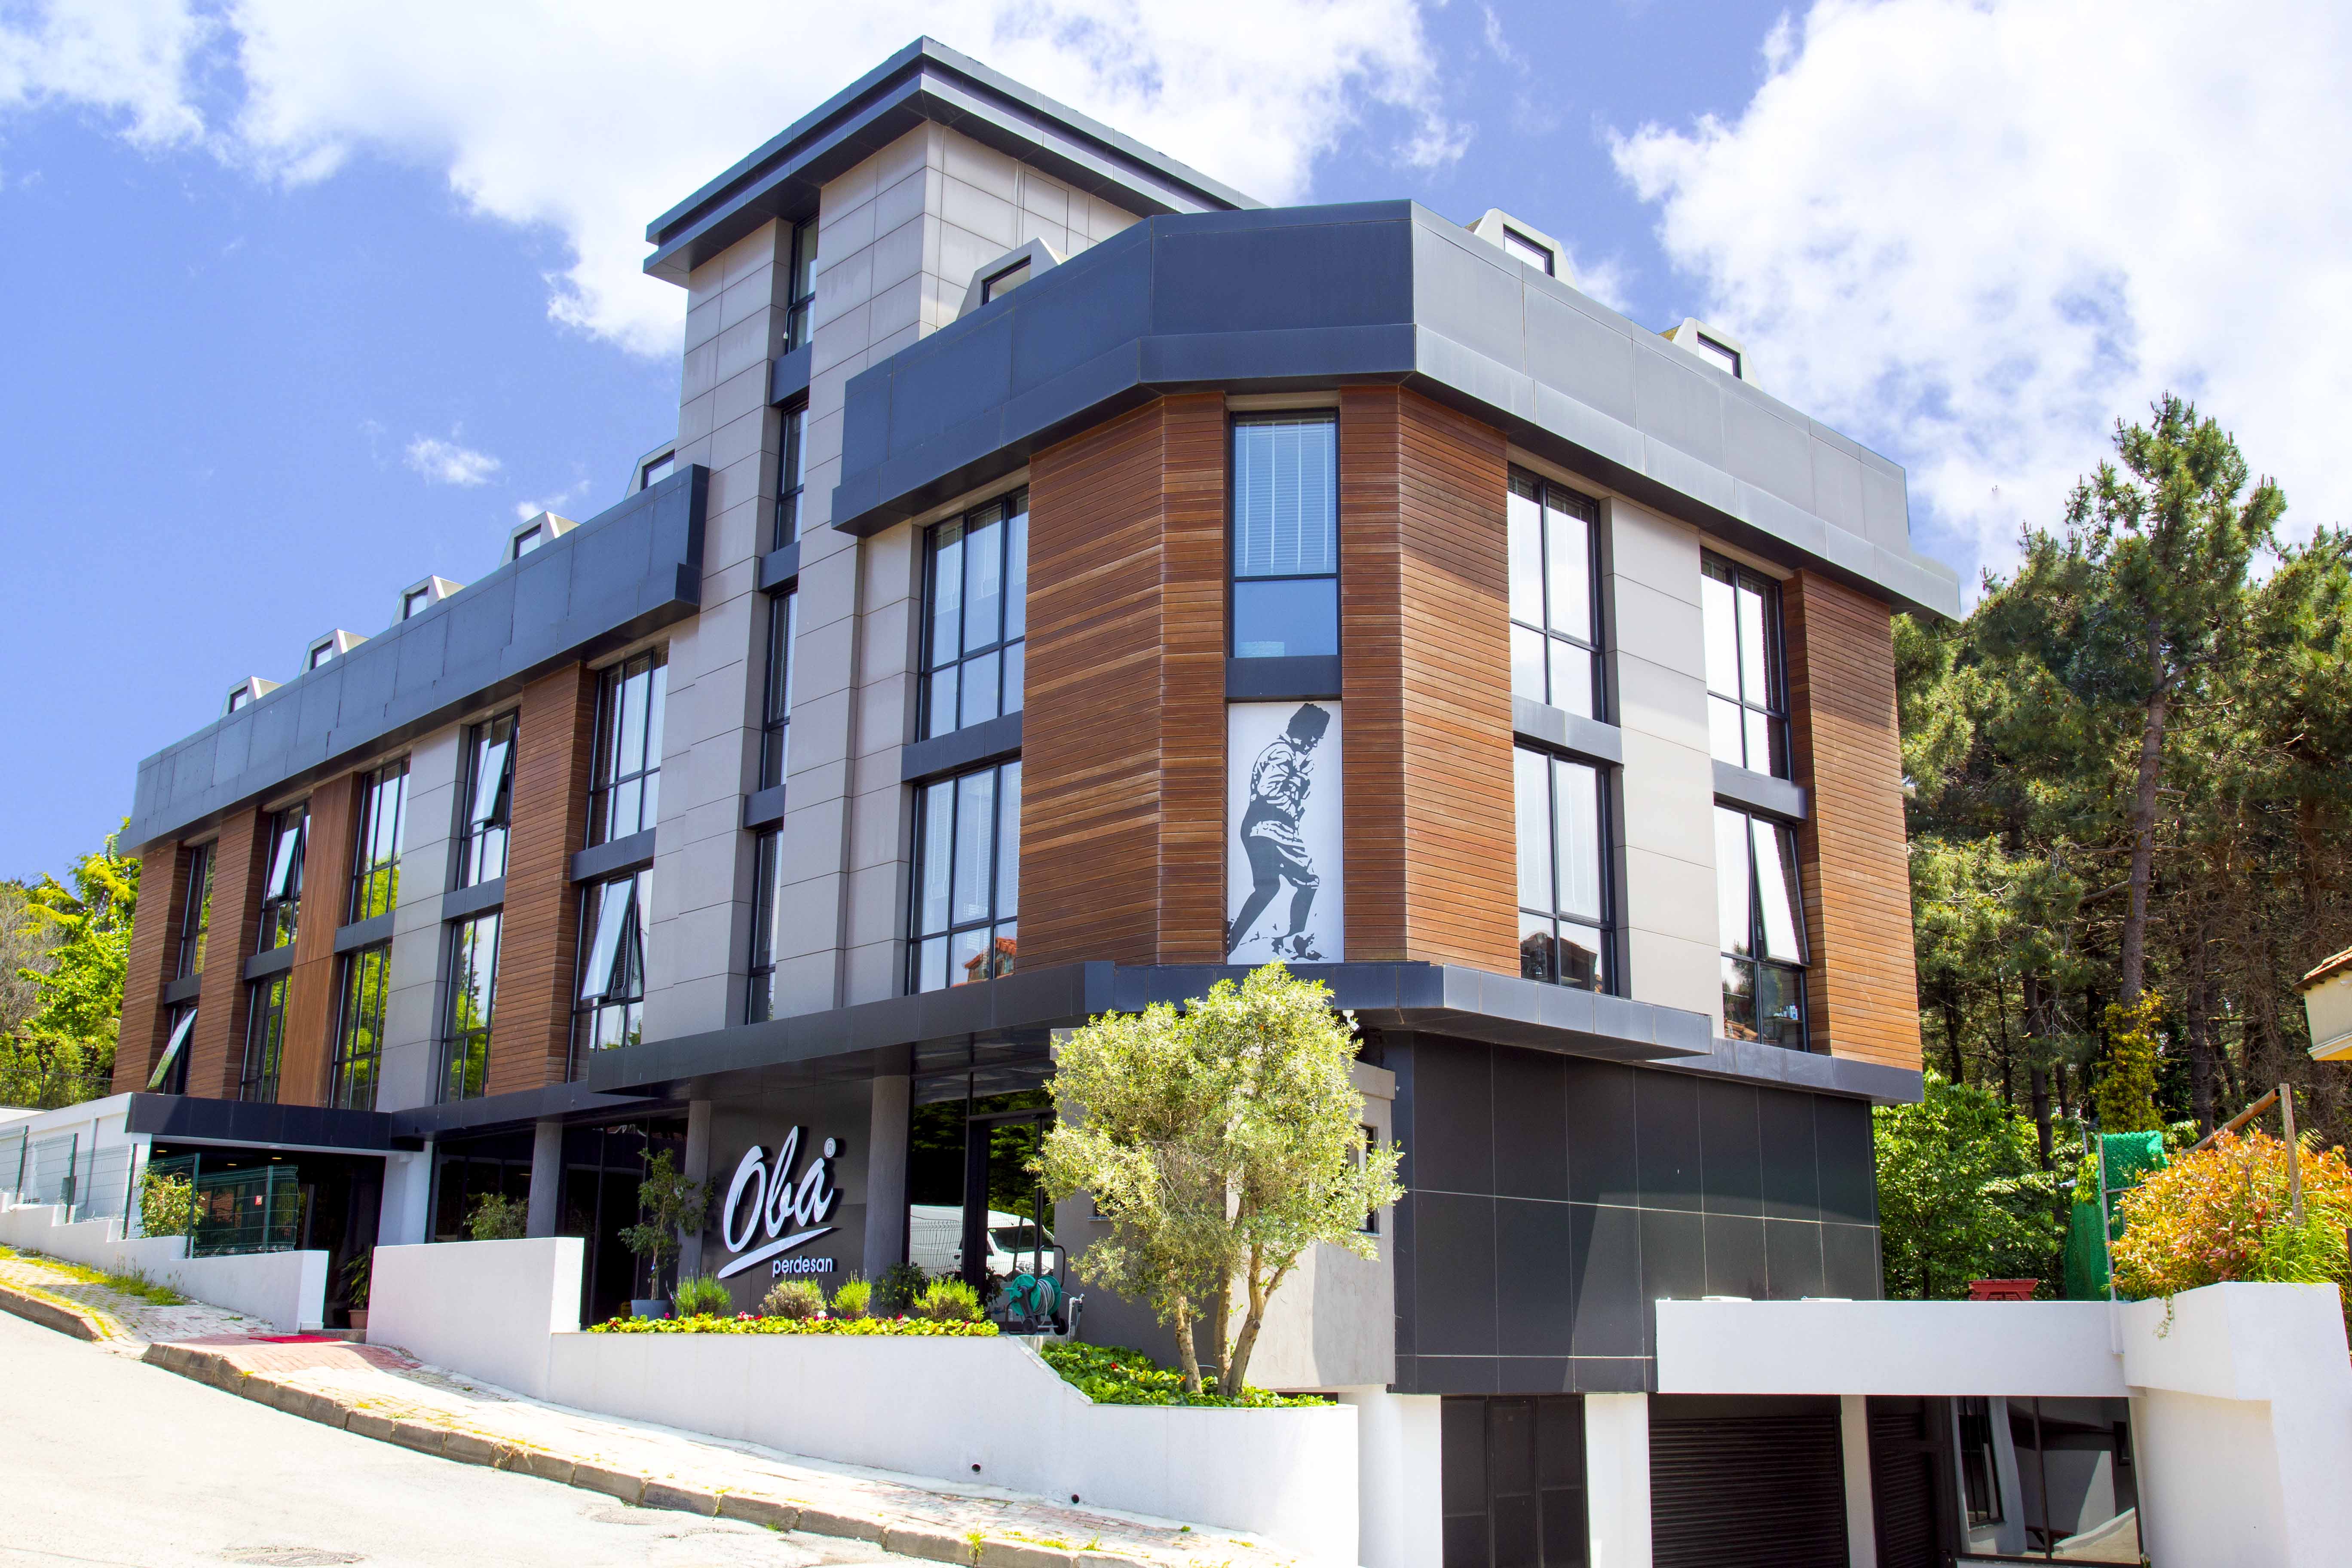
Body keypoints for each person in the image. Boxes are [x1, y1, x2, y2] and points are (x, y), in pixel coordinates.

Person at [1227, 703, 1330, 959]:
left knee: (1267, 888)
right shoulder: (1283, 753)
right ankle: (1295, 938)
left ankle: (1233, 938)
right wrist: (1291, 809)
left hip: (1257, 830)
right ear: (1302, 731)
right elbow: (1267, 791)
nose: (1314, 744)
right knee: (1309, 881)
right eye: (1314, 738)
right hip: (1274, 829)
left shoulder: (1282, 753)